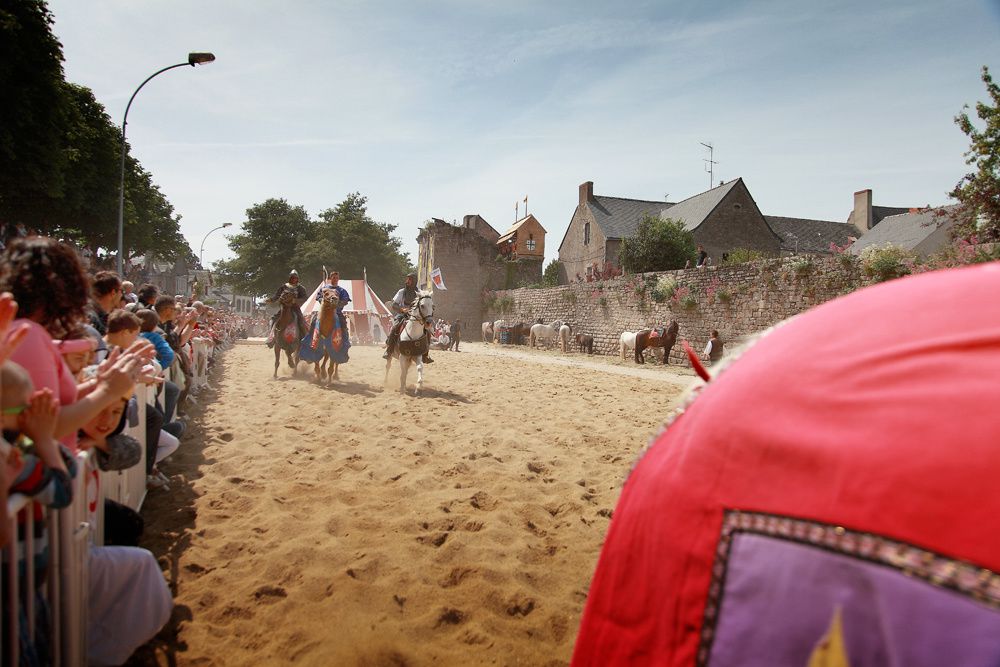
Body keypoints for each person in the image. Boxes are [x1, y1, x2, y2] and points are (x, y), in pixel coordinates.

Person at [383, 273, 433, 363]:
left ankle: (426, 355)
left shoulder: (420, 293)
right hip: (402, 315)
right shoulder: (401, 292)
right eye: (407, 279)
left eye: (409, 280)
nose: (407, 281)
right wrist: (402, 309)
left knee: (428, 331)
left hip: (416, 316)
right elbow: (393, 304)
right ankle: (389, 351)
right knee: (394, 328)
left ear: (414, 281)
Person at [267, 270, 308, 347]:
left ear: (297, 278)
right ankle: (272, 338)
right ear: (290, 278)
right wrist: (271, 299)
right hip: (284, 308)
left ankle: (304, 339)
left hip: (295, 309)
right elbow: (277, 296)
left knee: (302, 322)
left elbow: (305, 297)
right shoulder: (284, 287)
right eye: (292, 278)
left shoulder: (300, 288)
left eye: (295, 278)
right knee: (274, 319)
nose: (294, 279)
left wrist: (295, 300)